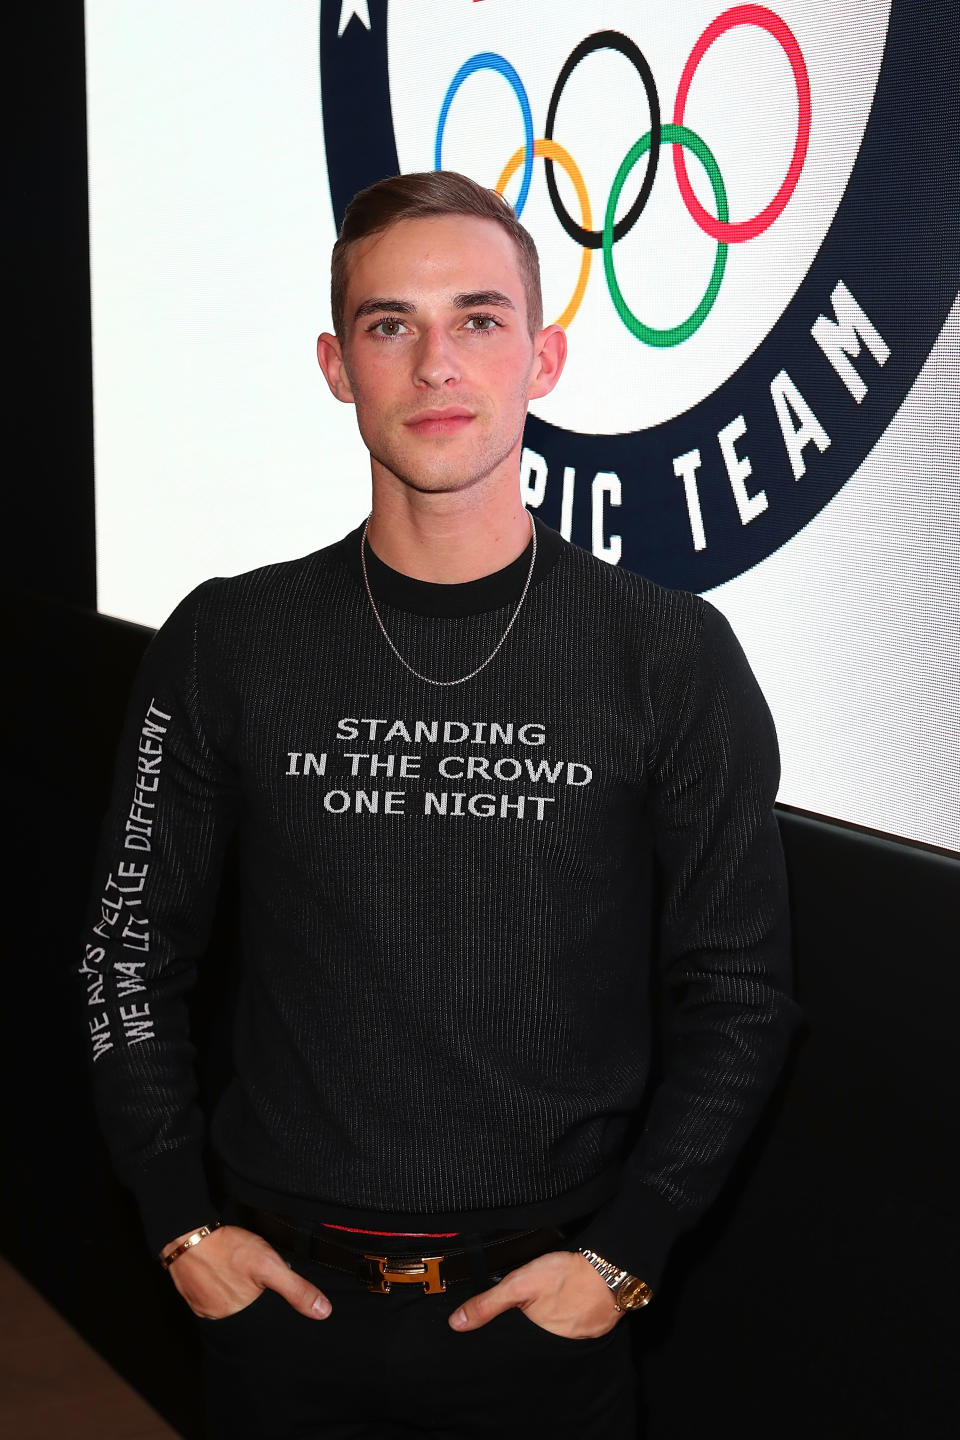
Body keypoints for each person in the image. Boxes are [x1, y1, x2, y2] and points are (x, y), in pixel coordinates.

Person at [80, 170, 798, 1438]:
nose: (434, 365)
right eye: (389, 324)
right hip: (278, 1317)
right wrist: (177, 1220)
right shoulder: (228, 641)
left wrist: (628, 1252)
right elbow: (125, 950)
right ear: (335, 363)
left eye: (477, 319)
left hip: (545, 1314)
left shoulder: (667, 655)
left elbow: (740, 990)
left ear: (545, 355)